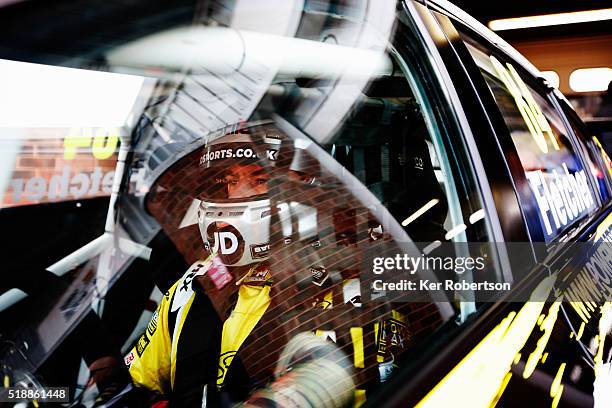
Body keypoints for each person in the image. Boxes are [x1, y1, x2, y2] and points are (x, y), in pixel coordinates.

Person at [125, 122, 430, 407]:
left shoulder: (357, 291)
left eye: (260, 179)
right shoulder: (197, 283)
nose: (237, 195)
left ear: (311, 187)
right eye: (230, 181)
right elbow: (139, 385)